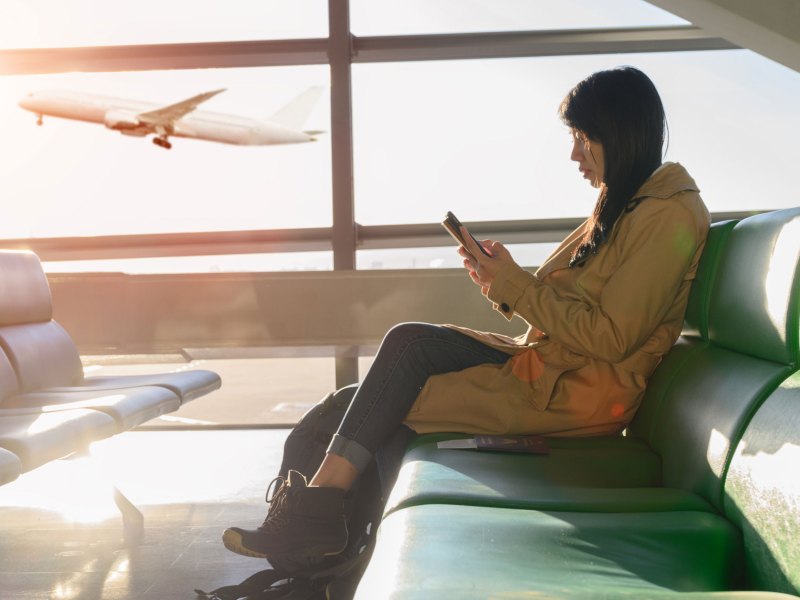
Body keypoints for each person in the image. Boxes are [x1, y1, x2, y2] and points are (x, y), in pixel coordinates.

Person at [222, 66, 710, 565]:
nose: (574, 154)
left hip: (574, 394)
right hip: (550, 369)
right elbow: (575, 312)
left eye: (584, 138)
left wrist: (515, 286)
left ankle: (314, 534)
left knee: (370, 405)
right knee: (389, 361)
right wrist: (501, 283)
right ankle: (311, 534)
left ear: (622, 132)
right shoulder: (624, 206)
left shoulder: (666, 214)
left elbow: (611, 337)